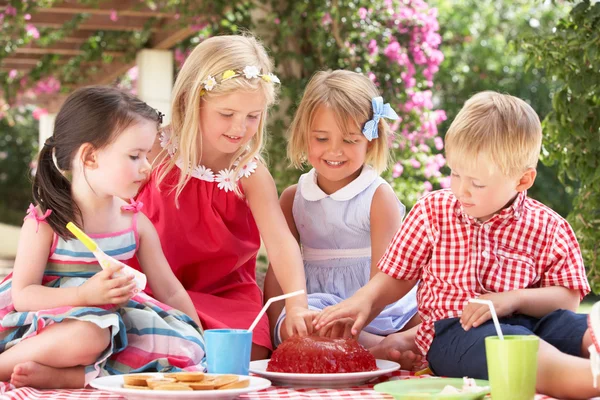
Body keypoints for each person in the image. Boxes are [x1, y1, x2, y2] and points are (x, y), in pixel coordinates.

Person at [314, 91, 600, 399]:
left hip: (533, 324)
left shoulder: (549, 227)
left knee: (576, 325)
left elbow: (568, 299)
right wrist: (363, 301)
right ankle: (587, 378)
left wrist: (511, 299)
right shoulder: (433, 212)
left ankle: (587, 358)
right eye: (455, 173)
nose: (462, 190)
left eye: (477, 183)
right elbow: (396, 276)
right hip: (454, 334)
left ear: (523, 180)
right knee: (512, 348)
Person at [0, 87, 205, 389]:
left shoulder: (135, 222)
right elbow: (24, 295)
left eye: (146, 155)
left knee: (180, 345)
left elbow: (170, 292)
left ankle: (71, 377)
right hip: (52, 323)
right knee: (91, 335)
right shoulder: (47, 223)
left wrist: (199, 333)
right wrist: (83, 296)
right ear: (91, 156)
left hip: (116, 320)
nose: (147, 166)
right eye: (135, 156)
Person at [134, 34, 311, 360]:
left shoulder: (250, 174)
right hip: (152, 289)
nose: (239, 128)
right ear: (192, 100)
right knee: (137, 335)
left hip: (224, 297)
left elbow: (282, 244)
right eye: (226, 114)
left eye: (252, 116)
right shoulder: (153, 150)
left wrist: (297, 304)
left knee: (249, 354)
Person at [263, 70, 420, 365]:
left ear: (370, 142)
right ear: (304, 136)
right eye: (322, 138)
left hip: (375, 309)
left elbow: (384, 279)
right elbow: (277, 276)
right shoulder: (293, 199)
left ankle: (377, 346)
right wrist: (277, 328)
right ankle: (378, 351)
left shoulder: (377, 197)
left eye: (349, 140)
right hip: (316, 307)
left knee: (431, 320)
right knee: (310, 326)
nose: (335, 150)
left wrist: (352, 322)